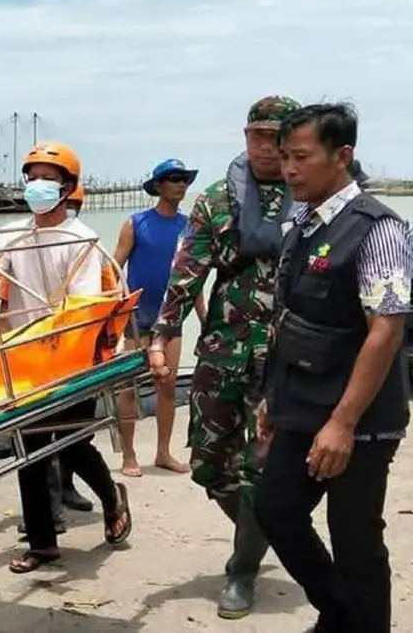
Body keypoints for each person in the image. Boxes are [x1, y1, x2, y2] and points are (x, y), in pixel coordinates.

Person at [254, 103, 412, 633]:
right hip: (300, 407)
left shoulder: (377, 230)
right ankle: (342, 616)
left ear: (342, 156)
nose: (289, 169)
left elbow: (385, 331)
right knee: (275, 509)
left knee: (355, 540)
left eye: (301, 157)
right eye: (284, 157)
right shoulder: (301, 223)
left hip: (359, 419)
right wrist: (272, 398)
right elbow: (293, 318)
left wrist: (342, 423)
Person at [149, 95, 303, 619]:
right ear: (245, 136)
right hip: (224, 347)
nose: (266, 144)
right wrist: (160, 334)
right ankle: (266, 533)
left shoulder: (310, 198)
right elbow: (187, 270)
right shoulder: (217, 200)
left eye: (276, 135)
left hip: (287, 354)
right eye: (257, 134)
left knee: (260, 467)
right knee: (209, 464)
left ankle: (242, 568)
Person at [0, 141, 132, 573]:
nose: (39, 186)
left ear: (67, 188)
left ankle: (111, 495)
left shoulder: (82, 240)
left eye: (49, 179)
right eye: (33, 178)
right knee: (28, 447)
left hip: (72, 354)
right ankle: (43, 542)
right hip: (24, 357)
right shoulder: (12, 234)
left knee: (73, 441)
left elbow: (83, 305)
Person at [113, 158, 204, 477]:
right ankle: (128, 455)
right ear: (159, 185)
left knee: (166, 385)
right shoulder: (136, 223)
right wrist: (112, 312)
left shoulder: (190, 227)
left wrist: (205, 319)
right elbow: (114, 270)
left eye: (185, 180)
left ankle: (164, 452)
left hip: (173, 316)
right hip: (137, 317)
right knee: (129, 388)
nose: (181, 185)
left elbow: (193, 277)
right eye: (174, 179)